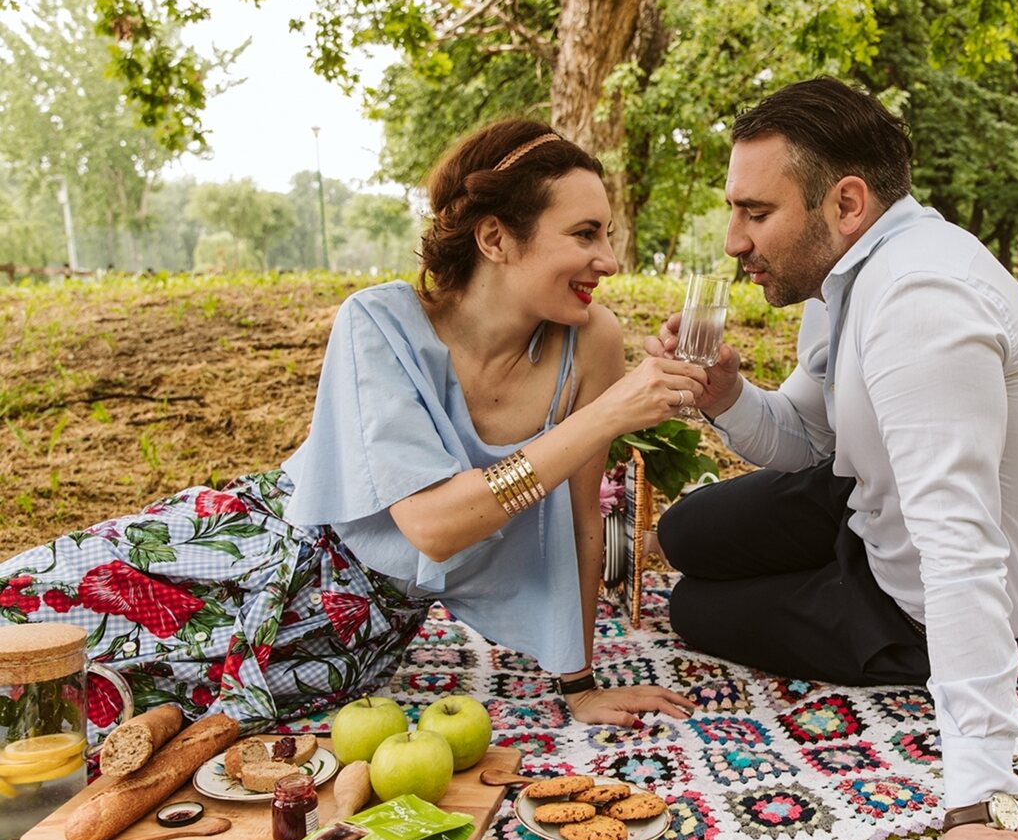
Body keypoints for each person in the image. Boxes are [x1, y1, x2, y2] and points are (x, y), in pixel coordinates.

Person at [0, 119, 701, 735]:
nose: (610, 260)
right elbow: (433, 525)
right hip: (253, 548)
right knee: (21, 610)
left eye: (606, 234)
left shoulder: (591, 341)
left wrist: (580, 684)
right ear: (495, 237)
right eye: (585, 234)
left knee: (100, 717)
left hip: (352, 632)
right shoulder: (378, 324)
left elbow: (581, 518)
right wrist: (608, 414)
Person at [648, 78, 1018, 840]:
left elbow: (960, 550)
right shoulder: (850, 276)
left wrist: (977, 805)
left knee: (694, 607)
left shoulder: (919, 303)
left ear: (847, 203)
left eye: (755, 212)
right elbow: (808, 434)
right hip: (867, 500)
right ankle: (822, 561)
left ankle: (850, 604)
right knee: (683, 532)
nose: (734, 241)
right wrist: (727, 394)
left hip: (923, 599)